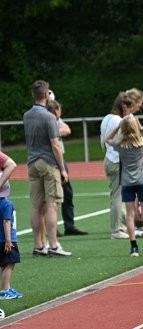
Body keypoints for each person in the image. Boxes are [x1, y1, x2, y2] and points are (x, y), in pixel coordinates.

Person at [24, 80, 71, 257]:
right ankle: (53, 244)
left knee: (36, 206)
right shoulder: (49, 117)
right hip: (48, 162)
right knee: (52, 205)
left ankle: (38, 245)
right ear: (46, 95)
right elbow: (55, 145)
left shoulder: (27, 115)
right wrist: (63, 169)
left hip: (32, 162)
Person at [106, 114, 143, 257]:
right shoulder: (141, 143)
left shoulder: (120, 145)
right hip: (142, 182)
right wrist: (141, 127)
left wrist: (118, 126)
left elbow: (108, 139)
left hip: (126, 182)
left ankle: (134, 247)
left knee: (130, 216)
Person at [47, 99, 87, 236]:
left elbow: (67, 130)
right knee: (53, 196)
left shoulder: (55, 122)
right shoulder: (47, 121)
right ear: (55, 111)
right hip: (53, 160)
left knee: (67, 193)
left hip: (60, 159)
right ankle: (51, 228)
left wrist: (55, 131)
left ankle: (69, 225)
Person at [101, 92, 134, 240]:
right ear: (123, 106)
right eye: (129, 107)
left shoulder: (106, 118)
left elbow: (104, 141)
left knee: (116, 195)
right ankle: (117, 229)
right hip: (118, 160)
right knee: (118, 196)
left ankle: (121, 226)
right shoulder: (120, 121)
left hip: (109, 158)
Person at [0, 152, 22, 300]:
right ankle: (5, 289)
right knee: (10, 263)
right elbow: (7, 221)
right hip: (6, 239)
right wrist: (9, 240)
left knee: (3, 264)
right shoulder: (6, 204)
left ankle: (5, 288)